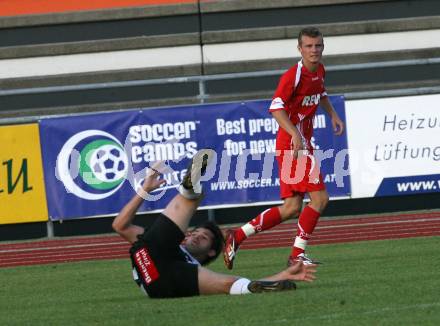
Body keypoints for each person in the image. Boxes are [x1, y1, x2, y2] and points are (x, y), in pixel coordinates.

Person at [112, 150, 318, 298]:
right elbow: (120, 225)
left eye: (204, 238)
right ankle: (190, 190)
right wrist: (145, 189)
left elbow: (232, 283)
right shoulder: (163, 242)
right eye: (195, 233)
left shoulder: (192, 266)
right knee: (189, 201)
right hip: (151, 258)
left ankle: (191, 192)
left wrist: (282, 275)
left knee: (230, 285)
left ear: (211, 253)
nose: (195, 235)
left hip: (162, 283)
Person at [224, 27, 345, 269]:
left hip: (298, 143)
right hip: (293, 144)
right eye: (309, 46)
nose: (314, 50)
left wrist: (333, 115)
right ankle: (296, 255)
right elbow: (275, 107)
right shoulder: (293, 75)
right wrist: (295, 133)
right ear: (299, 49)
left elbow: (320, 93)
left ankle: (237, 236)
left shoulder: (320, 70)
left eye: (318, 45)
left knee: (291, 208)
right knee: (320, 199)